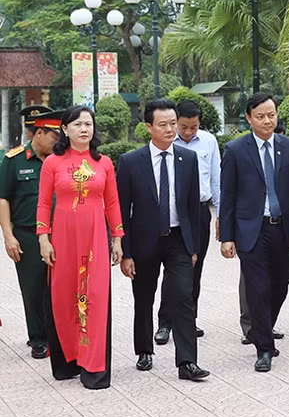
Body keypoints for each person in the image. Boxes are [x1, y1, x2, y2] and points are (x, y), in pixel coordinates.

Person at [117, 98, 209, 382]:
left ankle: (187, 362)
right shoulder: (131, 162)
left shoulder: (188, 158)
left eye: (173, 123)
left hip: (179, 240)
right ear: (148, 127)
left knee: (183, 296)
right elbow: (123, 210)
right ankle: (144, 349)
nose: (170, 129)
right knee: (143, 297)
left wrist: (193, 246)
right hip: (145, 240)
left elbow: (193, 207)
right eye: (163, 124)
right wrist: (126, 252)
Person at [220, 92, 289, 372]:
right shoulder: (236, 150)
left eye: (271, 115)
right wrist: (227, 236)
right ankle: (264, 346)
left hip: (283, 228)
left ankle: (264, 326)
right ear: (249, 118)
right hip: (252, 229)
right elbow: (229, 195)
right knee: (257, 288)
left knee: (281, 282)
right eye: (260, 116)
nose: (267, 121)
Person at [36, 107, 124, 389]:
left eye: (88, 124)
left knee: (94, 297)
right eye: (77, 124)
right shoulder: (53, 162)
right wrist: (43, 237)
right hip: (62, 238)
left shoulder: (104, 163)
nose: (84, 129)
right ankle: (68, 361)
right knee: (64, 297)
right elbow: (43, 203)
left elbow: (112, 203)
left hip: (95, 238)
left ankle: (94, 367)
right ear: (65, 129)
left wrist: (118, 238)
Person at [154, 99, 220, 345]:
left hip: (199, 212)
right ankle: (165, 322)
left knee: (195, 269)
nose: (188, 132)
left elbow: (216, 179)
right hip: (171, 214)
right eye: (183, 126)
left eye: (193, 127)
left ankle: (188, 319)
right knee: (172, 271)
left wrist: (219, 215)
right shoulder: (165, 142)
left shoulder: (209, 142)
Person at [0, 109, 60, 359]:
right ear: (38, 133)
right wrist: (8, 236)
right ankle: (38, 339)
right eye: (53, 137)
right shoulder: (14, 160)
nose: (58, 142)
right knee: (33, 287)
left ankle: (58, 335)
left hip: (59, 232)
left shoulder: (60, 159)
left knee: (58, 288)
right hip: (27, 234)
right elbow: (3, 199)